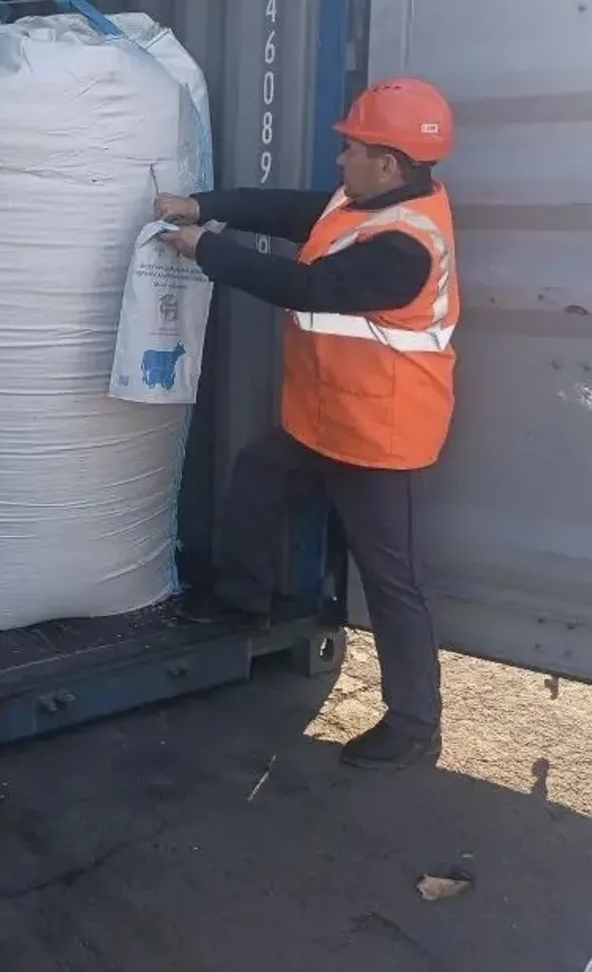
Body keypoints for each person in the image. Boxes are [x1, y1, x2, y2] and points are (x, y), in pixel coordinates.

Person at [154, 77, 458, 770]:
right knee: (258, 478)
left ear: (389, 163)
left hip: (381, 436)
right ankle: (243, 602)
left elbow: (309, 286)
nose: (341, 158)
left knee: (392, 581)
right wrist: (203, 205)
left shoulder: (406, 245)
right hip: (326, 415)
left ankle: (415, 724)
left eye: (352, 148)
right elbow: (287, 210)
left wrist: (206, 249)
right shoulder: (363, 203)